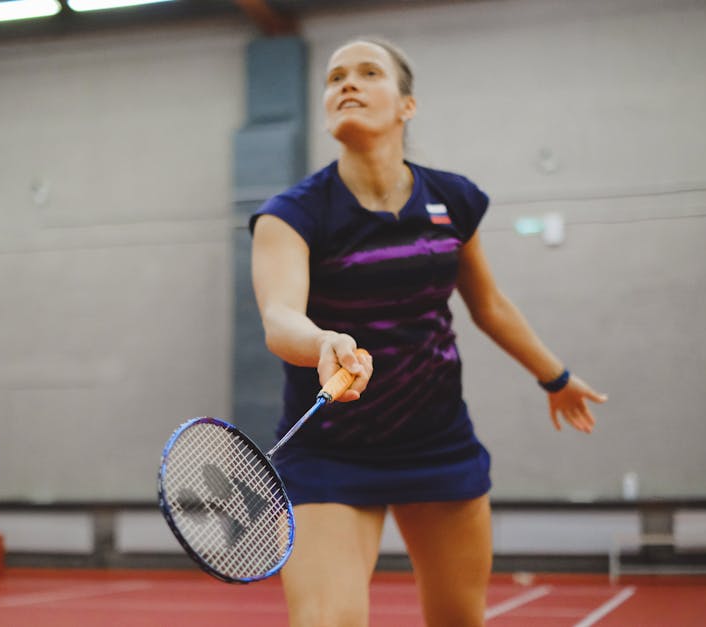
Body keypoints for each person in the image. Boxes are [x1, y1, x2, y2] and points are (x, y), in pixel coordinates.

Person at [248, 36, 607, 627]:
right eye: (336, 77)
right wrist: (323, 343)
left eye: (368, 72)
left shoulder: (453, 200)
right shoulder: (293, 213)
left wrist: (556, 377)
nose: (347, 84)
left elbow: (487, 304)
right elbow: (279, 317)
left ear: (406, 106)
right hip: (330, 451)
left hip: (436, 441)